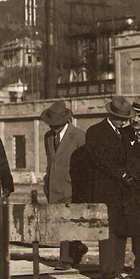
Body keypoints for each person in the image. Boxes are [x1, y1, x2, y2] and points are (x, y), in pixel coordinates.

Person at [85, 96, 140, 279]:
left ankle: (116, 269)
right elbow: (100, 160)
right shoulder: (95, 132)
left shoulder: (125, 133)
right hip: (106, 190)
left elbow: (133, 155)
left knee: (121, 229)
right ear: (111, 115)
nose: (124, 122)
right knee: (107, 230)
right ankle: (108, 271)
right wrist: (122, 175)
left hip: (124, 191)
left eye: (126, 119)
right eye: (121, 118)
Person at [40, 101, 88, 268]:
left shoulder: (79, 136)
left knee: (65, 220)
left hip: (71, 185)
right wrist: (46, 181)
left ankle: (65, 259)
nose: (54, 129)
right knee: (60, 220)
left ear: (66, 121)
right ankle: (77, 247)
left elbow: (84, 166)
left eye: (57, 126)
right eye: (52, 125)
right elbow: (50, 161)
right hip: (53, 185)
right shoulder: (47, 137)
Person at [124, 99, 140, 279]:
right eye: (134, 116)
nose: (136, 120)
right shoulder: (125, 134)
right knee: (138, 233)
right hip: (132, 195)